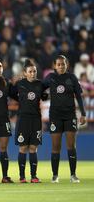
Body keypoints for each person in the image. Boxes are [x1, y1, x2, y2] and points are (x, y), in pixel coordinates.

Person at [43, 55, 86, 183]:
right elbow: (39, 88)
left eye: (63, 64)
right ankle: (55, 175)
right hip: (55, 116)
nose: (61, 66)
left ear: (67, 65)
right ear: (54, 66)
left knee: (71, 145)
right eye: (59, 64)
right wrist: (43, 95)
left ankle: (73, 175)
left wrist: (83, 114)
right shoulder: (50, 77)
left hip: (70, 116)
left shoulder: (71, 78)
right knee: (56, 146)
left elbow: (78, 96)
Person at [11, 59, 46, 183]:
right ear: (25, 73)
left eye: (34, 71)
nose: (33, 73)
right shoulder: (20, 84)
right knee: (23, 147)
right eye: (30, 71)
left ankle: (34, 176)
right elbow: (12, 93)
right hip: (23, 119)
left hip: (35, 119)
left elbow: (44, 96)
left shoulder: (40, 84)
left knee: (33, 148)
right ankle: (22, 177)